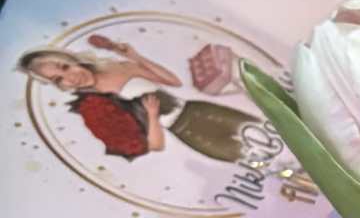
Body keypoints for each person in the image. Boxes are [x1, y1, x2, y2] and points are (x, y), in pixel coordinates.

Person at [18, 47, 259, 166]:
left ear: (72, 60)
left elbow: (172, 81)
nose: (70, 77)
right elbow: (152, 145)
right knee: (248, 160)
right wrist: (152, 117)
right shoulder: (94, 107)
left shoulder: (116, 67)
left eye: (64, 67)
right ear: (59, 87)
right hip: (186, 131)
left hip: (199, 109)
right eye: (58, 80)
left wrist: (135, 56)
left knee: (265, 131)